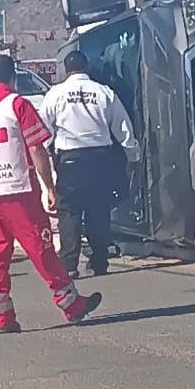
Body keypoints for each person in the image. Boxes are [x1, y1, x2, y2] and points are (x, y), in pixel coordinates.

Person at [0, 54, 102, 334]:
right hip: (18, 191)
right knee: (41, 248)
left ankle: (1, 318)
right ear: (13, 77)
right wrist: (50, 186)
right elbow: (36, 148)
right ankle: (71, 304)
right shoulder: (17, 104)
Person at [39, 50, 139, 278]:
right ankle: (99, 261)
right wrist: (133, 157)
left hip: (70, 160)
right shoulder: (104, 92)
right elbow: (123, 128)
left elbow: (44, 130)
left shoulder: (55, 94)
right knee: (98, 210)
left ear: (66, 69)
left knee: (69, 212)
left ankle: (69, 265)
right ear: (86, 67)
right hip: (100, 159)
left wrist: (43, 156)